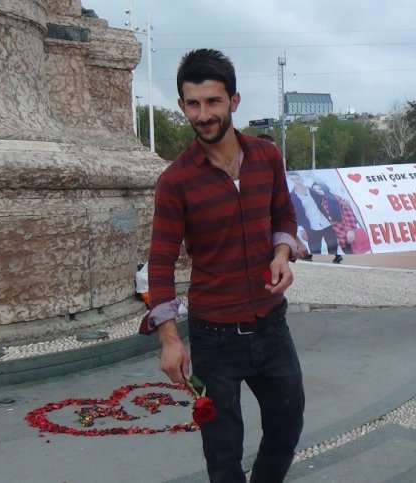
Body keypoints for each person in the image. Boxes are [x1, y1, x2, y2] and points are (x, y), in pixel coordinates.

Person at [145, 49, 304, 482]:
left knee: (288, 425)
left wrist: (282, 254)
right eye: (193, 104)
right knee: (222, 448)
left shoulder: (267, 156)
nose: (204, 114)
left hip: (272, 326)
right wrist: (170, 339)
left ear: (234, 101)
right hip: (214, 337)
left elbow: (283, 217)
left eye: (213, 102)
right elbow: (159, 260)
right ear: (181, 106)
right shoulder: (175, 181)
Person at [258, 134, 312, 261]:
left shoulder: (276, 183)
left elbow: (282, 218)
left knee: (273, 279)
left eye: (276, 151)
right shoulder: (252, 184)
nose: (274, 155)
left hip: (272, 255)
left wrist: (296, 242)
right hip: (256, 253)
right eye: (270, 150)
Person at [287, 171, 343, 263]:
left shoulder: (312, 190)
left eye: (297, 179)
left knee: (331, 241)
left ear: (301, 179)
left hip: (325, 221)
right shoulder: (292, 196)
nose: (295, 181)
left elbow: (327, 196)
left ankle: (337, 256)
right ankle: (308, 256)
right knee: (313, 243)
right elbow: (296, 213)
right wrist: (301, 228)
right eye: (292, 179)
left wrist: (340, 201)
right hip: (311, 224)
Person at [311, 181, 365, 255]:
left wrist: (350, 230)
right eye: (315, 190)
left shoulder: (335, 198)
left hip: (346, 233)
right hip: (338, 234)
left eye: (320, 189)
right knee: (348, 254)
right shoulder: (322, 201)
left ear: (325, 188)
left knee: (354, 254)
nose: (317, 191)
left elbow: (349, 214)